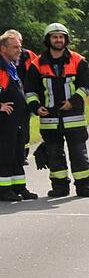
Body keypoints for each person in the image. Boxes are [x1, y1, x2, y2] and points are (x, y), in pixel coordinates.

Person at [24, 22, 89, 198]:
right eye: (55, 37)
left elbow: (86, 86)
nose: (58, 40)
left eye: (61, 37)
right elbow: (29, 90)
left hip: (74, 117)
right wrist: (36, 106)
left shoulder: (78, 61)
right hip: (49, 119)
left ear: (66, 39)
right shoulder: (37, 64)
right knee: (55, 155)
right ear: (48, 40)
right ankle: (60, 187)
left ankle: (84, 186)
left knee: (78, 154)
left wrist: (73, 102)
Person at [0, 30, 36, 200]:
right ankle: (4, 190)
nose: (19, 50)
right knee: (5, 154)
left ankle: (19, 187)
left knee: (18, 154)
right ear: (3, 49)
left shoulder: (11, 66)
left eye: (20, 47)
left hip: (17, 119)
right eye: (15, 47)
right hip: (4, 121)